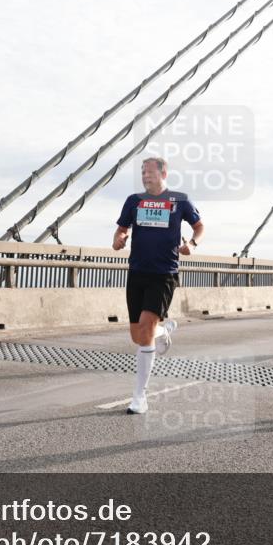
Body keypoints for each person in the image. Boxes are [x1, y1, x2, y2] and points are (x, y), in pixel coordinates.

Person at [114, 157, 204, 415]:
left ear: (164, 173)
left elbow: (199, 226)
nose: (145, 175)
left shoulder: (180, 200)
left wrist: (192, 245)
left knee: (144, 327)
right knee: (138, 336)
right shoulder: (134, 201)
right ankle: (163, 332)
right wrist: (119, 239)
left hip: (164, 274)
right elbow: (121, 229)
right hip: (137, 272)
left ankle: (139, 397)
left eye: (149, 171)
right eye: (142, 172)